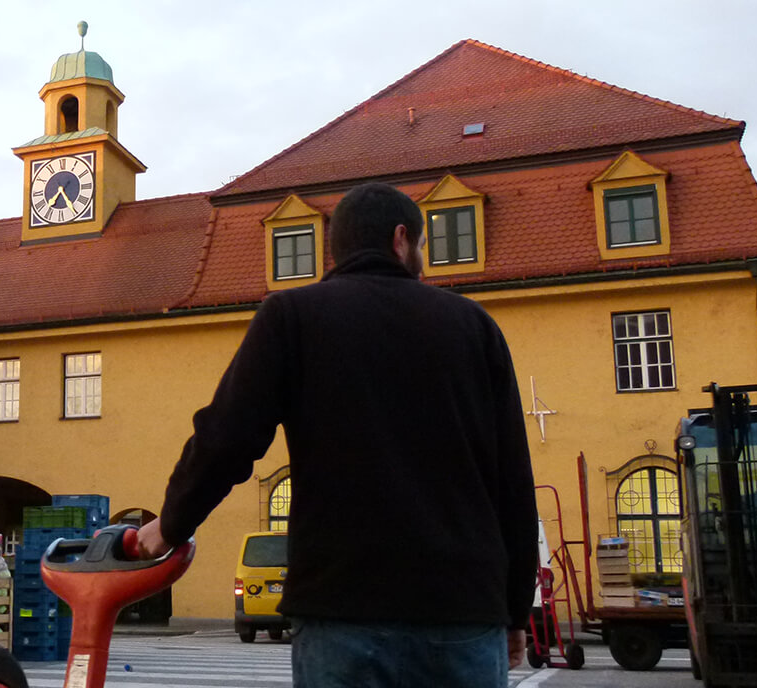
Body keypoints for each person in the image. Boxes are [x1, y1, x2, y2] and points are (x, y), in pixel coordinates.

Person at [135, 183, 538, 687]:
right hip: (462, 610)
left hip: (341, 607)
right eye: (422, 246)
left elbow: (228, 438)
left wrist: (172, 524)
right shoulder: (475, 326)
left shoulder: (292, 317)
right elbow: (513, 484)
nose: (423, 262)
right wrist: (515, 611)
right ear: (400, 239)